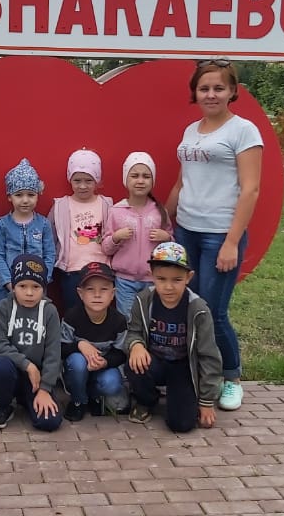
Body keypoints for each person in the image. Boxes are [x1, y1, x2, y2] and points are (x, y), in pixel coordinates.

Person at [165, 59, 262, 411]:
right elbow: (182, 182)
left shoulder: (244, 131)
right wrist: (164, 221)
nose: (211, 94)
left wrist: (231, 242)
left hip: (219, 234)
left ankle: (231, 378)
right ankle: (200, 373)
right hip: (185, 230)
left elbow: (250, 190)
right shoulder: (192, 131)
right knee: (186, 307)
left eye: (218, 88)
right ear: (195, 92)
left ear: (232, 91)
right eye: (204, 88)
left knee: (212, 312)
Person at [123, 242, 223, 433]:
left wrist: (206, 401)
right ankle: (146, 400)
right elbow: (133, 331)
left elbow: (209, 356)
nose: (168, 287)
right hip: (154, 362)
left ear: (188, 277)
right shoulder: (143, 300)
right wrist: (136, 345)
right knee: (134, 363)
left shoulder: (198, 309)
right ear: (152, 276)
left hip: (183, 368)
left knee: (182, 425)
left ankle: (183, 398)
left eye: (177, 280)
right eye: (161, 279)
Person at [0, 254, 63, 432]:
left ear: (43, 288)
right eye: (22, 286)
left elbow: (53, 354)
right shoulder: (3, 308)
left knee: (49, 422)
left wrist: (45, 389)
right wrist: (28, 365)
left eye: (36, 286)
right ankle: (3, 405)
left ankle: (28, 398)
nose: (29, 293)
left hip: (37, 380)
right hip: (12, 371)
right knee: (0, 365)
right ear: (13, 286)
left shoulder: (50, 311)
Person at [101, 152, 172, 316]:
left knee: (152, 319)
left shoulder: (159, 211)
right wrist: (116, 237)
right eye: (134, 176)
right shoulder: (116, 211)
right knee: (128, 319)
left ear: (152, 181)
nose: (140, 181)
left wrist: (166, 238)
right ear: (126, 179)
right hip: (125, 281)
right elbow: (106, 248)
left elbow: (172, 246)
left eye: (146, 176)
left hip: (154, 279)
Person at [60, 262, 129, 421]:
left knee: (112, 383)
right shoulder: (72, 316)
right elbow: (61, 348)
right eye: (90, 289)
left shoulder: (118, 321)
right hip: (76, 370)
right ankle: (78, 400)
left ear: (112, 293)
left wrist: (105, 362)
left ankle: (95, 396)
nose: (97, 295)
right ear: (80, 293)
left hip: (102, 368)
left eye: (104, 289)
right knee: (77, 362)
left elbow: (121, 354)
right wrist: (80, 345)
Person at [49, 149, 113, 314]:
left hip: (101, 270)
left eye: (88, 180)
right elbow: (50, 237)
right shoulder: (61, 206)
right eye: (77, 180)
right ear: (70, 179)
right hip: (72, 271)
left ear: (96, 180)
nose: (82, 186)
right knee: (73, 313)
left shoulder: (106, 204)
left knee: (100, 313)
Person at [0, 159, 56, 306]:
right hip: (8, 289)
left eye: (31, 194)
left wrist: (43, 280)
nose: (25, 200)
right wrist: (8, 283)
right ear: (10, 196)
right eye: (19, 195)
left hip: (36, 287)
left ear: (38, 195)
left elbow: (50, 254)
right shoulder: (2, 224)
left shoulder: (43, 224)